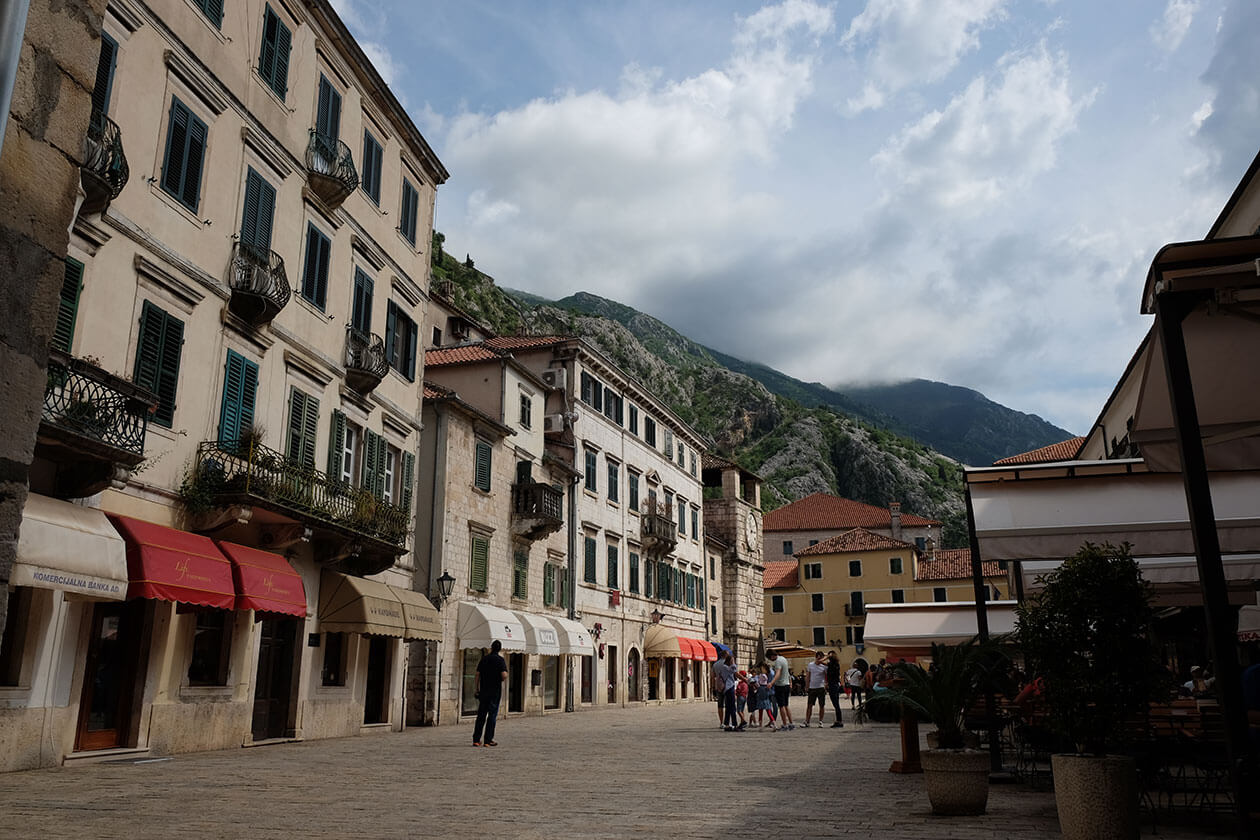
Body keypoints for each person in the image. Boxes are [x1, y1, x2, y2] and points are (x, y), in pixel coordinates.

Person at [472, 640, 507, 747]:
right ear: (500, 649)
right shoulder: (500, 660)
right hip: (494, 692)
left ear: (491, 648)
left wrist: (476, 688)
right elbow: (504, 675)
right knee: (492, 715)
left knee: (481, 715)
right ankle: (488, 740)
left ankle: (476, 740)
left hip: (484, 690)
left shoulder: (484, 659)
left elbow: (477, 674)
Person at [766, 651, 795, 730]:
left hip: (780, 686)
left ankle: (785, 724)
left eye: (770, 658)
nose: (771, 660)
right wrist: (790, 682)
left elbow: (778, 673)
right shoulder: (784, 659)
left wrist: (771, 683)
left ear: (772, 656)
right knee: (786, 705)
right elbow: (787, 673)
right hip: (787, 685)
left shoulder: (778, 662)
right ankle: (791, 723)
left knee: (781, 706)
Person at [715, 651, 742, 731]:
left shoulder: (721, 666)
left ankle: (727, 724)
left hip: (728, 687)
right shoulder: (725, 667)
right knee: (732, 707)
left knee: (728, 707)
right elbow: (734, 670)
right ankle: (735, 724)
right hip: (728, 688)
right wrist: (733, 662)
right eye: (732, 660)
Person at [804, 651, 829, 727]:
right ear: (816, 657)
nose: (819, 658)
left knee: (821, 705)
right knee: (809, 705)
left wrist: (826, 684)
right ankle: (807, 721)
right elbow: (808, 676)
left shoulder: (825, 666)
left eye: (820, 657)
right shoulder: (810, 665)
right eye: (818, 657)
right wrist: (807, 686)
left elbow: (826, 676)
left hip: (821, 687)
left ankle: (820, 721)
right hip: (812, 687)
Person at [825, 650, 845, 728]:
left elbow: (819, 662)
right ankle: (838, 720)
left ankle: (839, 721)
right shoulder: (836, 664)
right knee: (836, 704)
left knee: (836, 704)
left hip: (833, 685)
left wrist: (826, 656)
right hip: (835, 685)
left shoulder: (831, 665)